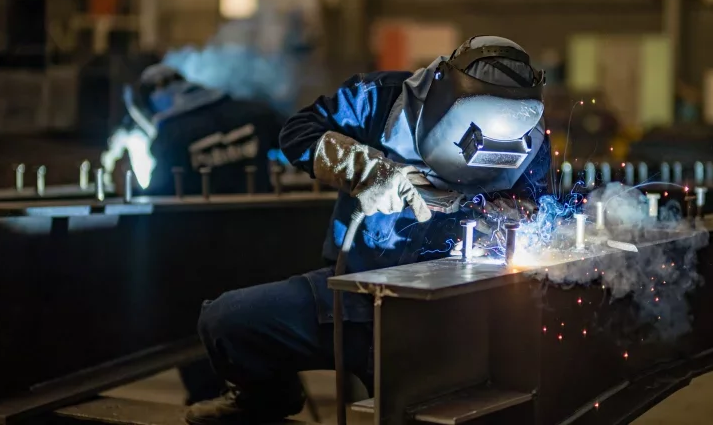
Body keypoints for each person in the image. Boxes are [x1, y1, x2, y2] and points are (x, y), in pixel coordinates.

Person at [186, 36, 552, 424]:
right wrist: (363, 170)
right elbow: (297, 133)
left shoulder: (531, 136)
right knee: (226, 321)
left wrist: (502, 215)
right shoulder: (381, 99)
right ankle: (265, 399)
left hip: (453, 316)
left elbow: (537, 208)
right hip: (353, 296)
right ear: (446, 96)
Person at [101, 64, 286, 196]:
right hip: (265, 234)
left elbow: (159, 202)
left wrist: (125, 186)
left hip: (202, 242)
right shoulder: (256, 112)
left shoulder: (170, 137)